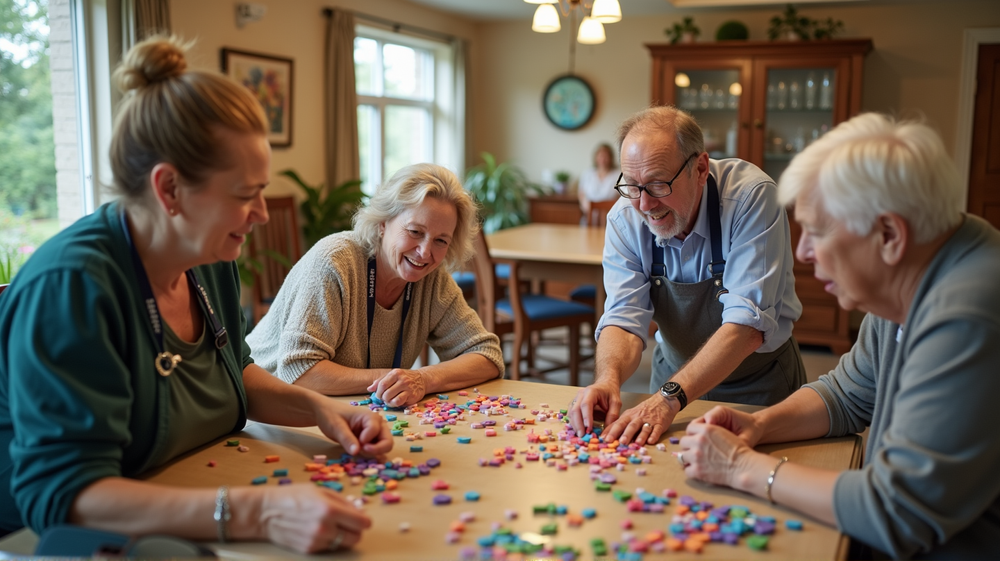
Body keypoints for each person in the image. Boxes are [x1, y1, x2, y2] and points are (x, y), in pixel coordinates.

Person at [0, 37, 392, 553]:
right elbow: (64, 495)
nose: (263, 214)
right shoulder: (72, 287)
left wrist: (319, 409)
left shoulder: (209, 257)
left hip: (194, 492)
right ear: (169, 190)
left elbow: (233, 373)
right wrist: (259, 511)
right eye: (244, 194)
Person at [678, 113, 1000, 558]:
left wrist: (741, 468)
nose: (804, 251)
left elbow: (898, 512)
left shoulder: (969, 314)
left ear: (889, 234)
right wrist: (759, 425)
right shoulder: (913, 270)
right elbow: (847, 395)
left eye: (818, 230)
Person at [569, 106, 805, 445]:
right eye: (632, 186)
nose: (644, 205)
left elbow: (747, 326)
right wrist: (608, 379)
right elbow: (624, 316)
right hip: (671, 377)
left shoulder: (750, 198)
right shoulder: (625, 216)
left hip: (756, 383)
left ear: (700, 168)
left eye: (658, 184)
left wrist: (668, 399)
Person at [247, 163, 504, 408]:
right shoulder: (334, 262)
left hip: (346, 407)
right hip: (264, 408)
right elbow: (299, 371)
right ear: (383, 224)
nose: (425, 253)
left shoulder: (432, 280)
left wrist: (423, 379)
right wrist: (396, 378)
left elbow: (487, 354)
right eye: (415, 232)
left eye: (441, 241)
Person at [577, 142, 620, 218]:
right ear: (596, 157)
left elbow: (621, 197)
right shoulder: (587, 174)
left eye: (606, 156)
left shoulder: (617, 175)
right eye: (600, 156)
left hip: (610, 216)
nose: (603, 159)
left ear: (611, 158)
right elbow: (581, 194)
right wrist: (585, 207)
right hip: (589, 216)